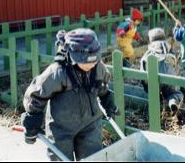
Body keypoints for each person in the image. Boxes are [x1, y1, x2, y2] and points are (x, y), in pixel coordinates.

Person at [22, 28, 119, 161]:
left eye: (93, 61)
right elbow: (37, 94)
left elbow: (102, 87)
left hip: (90, 124)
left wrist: (108, 102)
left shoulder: (98, 68)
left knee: (93, 158)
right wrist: (32, 120)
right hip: (61, 128)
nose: (90, 65)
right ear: (73, 55)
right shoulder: (58, 72)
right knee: (60, 158)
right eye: (86, 62)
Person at [140, 28, 184, 115]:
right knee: (174, 92)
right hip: (168, 76)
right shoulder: (168, 47)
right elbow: (175, 64)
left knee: (154, 93)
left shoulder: (149, 51)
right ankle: (173, 101)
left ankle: (158, 106)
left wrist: (145, 83)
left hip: (153, 79)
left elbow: (143, 67)